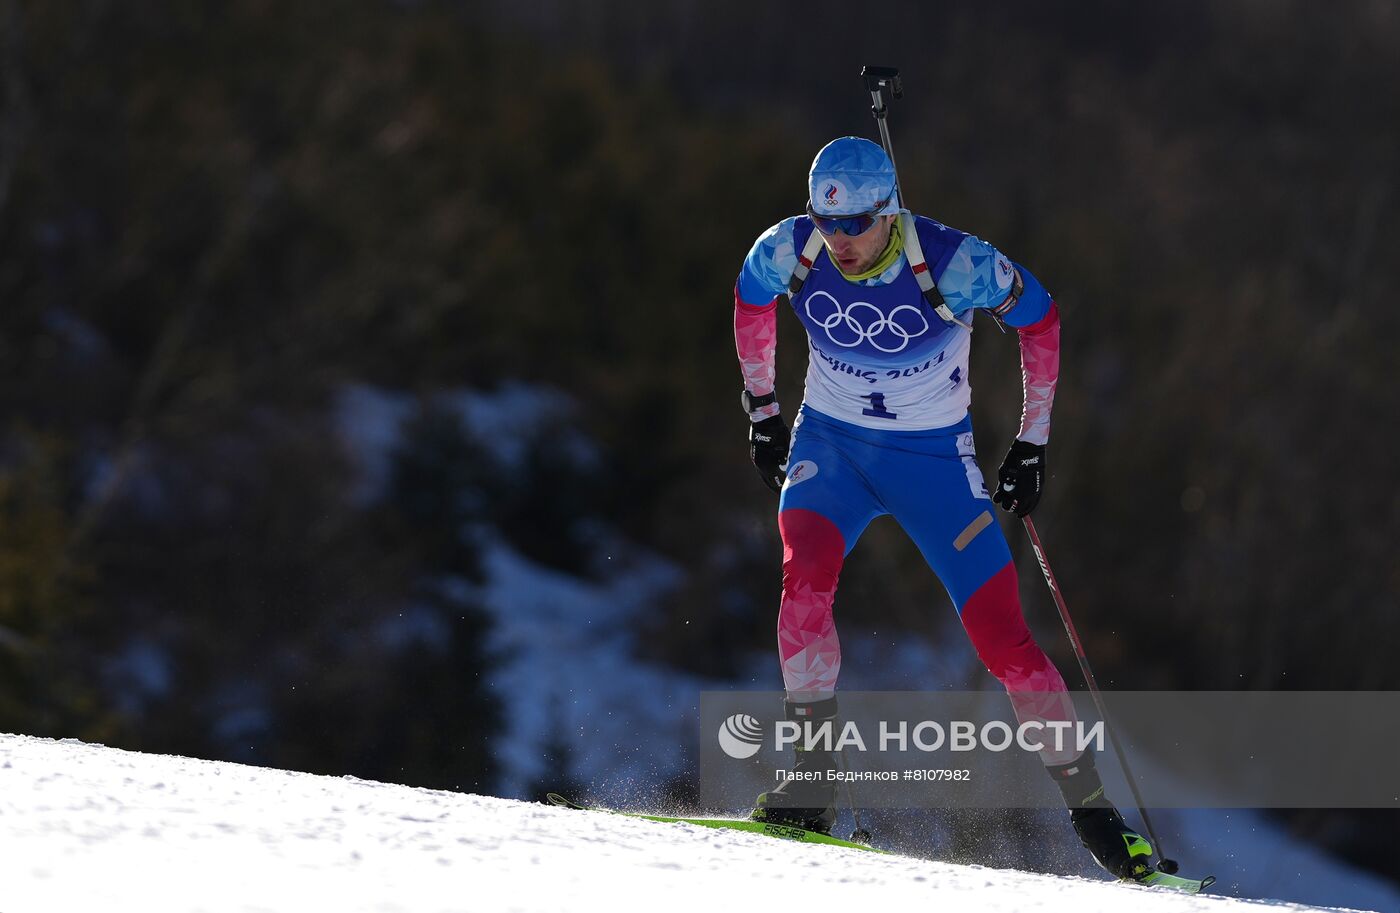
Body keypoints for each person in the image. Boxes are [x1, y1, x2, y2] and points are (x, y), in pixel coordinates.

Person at [733, 136, 1151, 880]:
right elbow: (750, 296)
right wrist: (763, 410)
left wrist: (1032, 441)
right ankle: (811, 780)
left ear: (889, 212)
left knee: (1004, 642)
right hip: (831, 451)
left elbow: (1041, 318)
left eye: (857, 224)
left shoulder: (955, 263)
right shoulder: (790, 249)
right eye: (827, 225)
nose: (841, 242)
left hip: (932, 466)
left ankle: (1096, 816)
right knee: (804, 587)